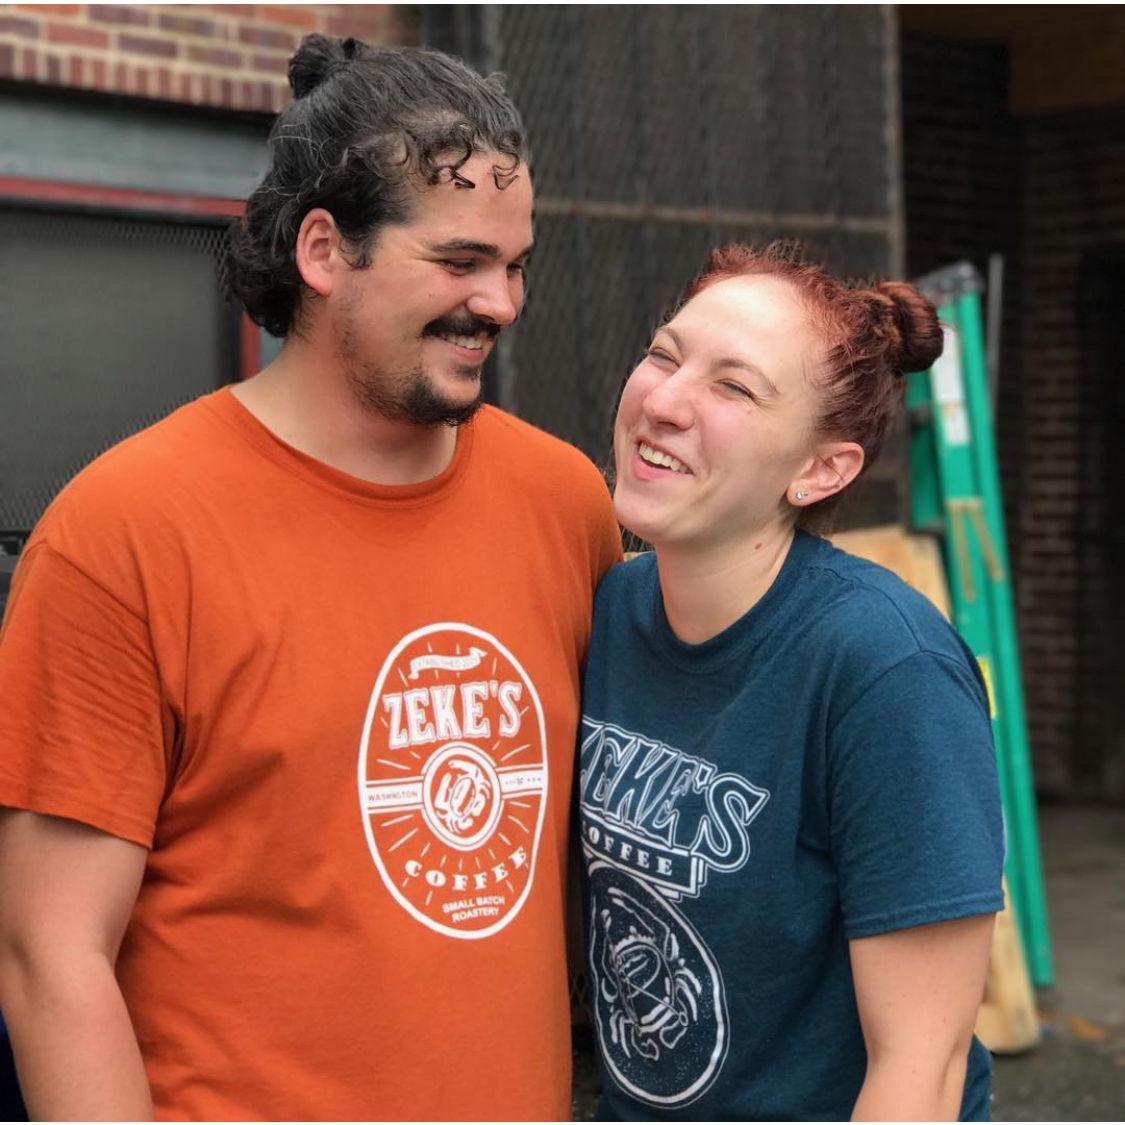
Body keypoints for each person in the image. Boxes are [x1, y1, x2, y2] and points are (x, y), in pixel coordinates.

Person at [0, 34, 620, 1121]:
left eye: (517, 265)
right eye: (460, 261)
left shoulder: (565, 503)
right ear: (326, 251)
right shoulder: (124, 533)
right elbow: (50, 955)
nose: (503, 302)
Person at [578, 242, 1005, 1121]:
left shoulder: (886, 671)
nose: (662, 400)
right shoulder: (611, 610)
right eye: (664, 354)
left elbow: (919, 1070)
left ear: (821, 469)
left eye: (733, 387)